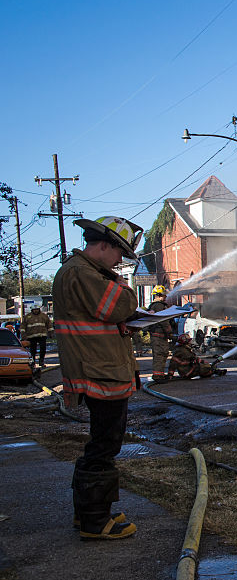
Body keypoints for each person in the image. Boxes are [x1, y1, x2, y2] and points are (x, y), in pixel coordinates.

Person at [54, 215, 144, 541]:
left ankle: (92, 510)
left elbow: (105, 318)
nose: (120, 261)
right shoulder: (83, 273)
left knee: (101, 444)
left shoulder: (81, 272)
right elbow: (119, 306)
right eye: (119, 253)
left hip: (99, 370)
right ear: (104, 245)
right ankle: (95, 521)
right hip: (100, 374)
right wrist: (123, 288)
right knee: (104, 446)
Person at [146, 285, 174, 381]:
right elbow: (163, 320)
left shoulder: (155, 305)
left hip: (159, 336)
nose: (165, 297)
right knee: (160, 355)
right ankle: (158, 376)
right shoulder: (159, 306)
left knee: (162, 354)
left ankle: (159, 374)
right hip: (159, 335)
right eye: (163, 295)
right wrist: (169, 332)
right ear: (158, 295)